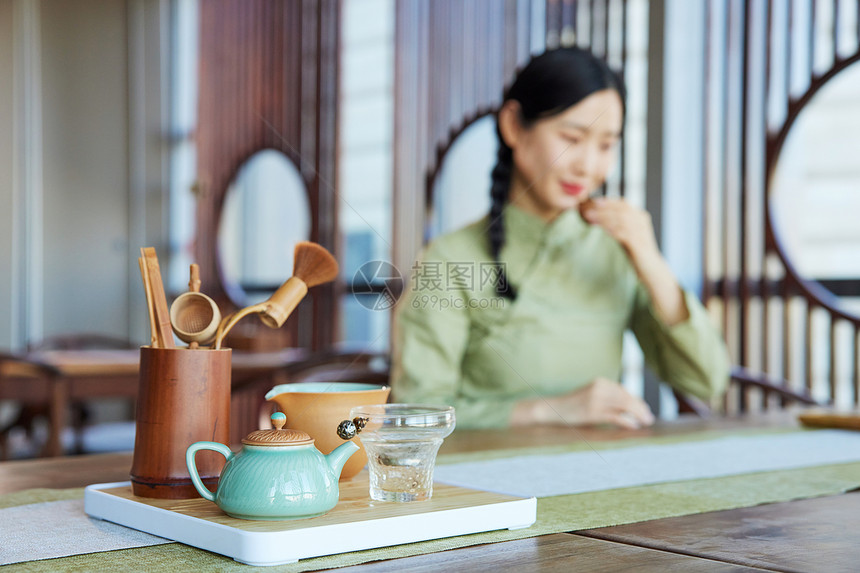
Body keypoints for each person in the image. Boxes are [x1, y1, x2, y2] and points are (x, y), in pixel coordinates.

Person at [390, 47, 730, 430]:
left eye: (605, 145)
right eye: (572, 138)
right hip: (489, 482)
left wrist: (652, 263)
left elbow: (706, 382)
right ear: (514, 126)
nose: (587, 166)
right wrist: (551, 410)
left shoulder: (615, 250)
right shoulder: (449, 259)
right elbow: (417, 416)